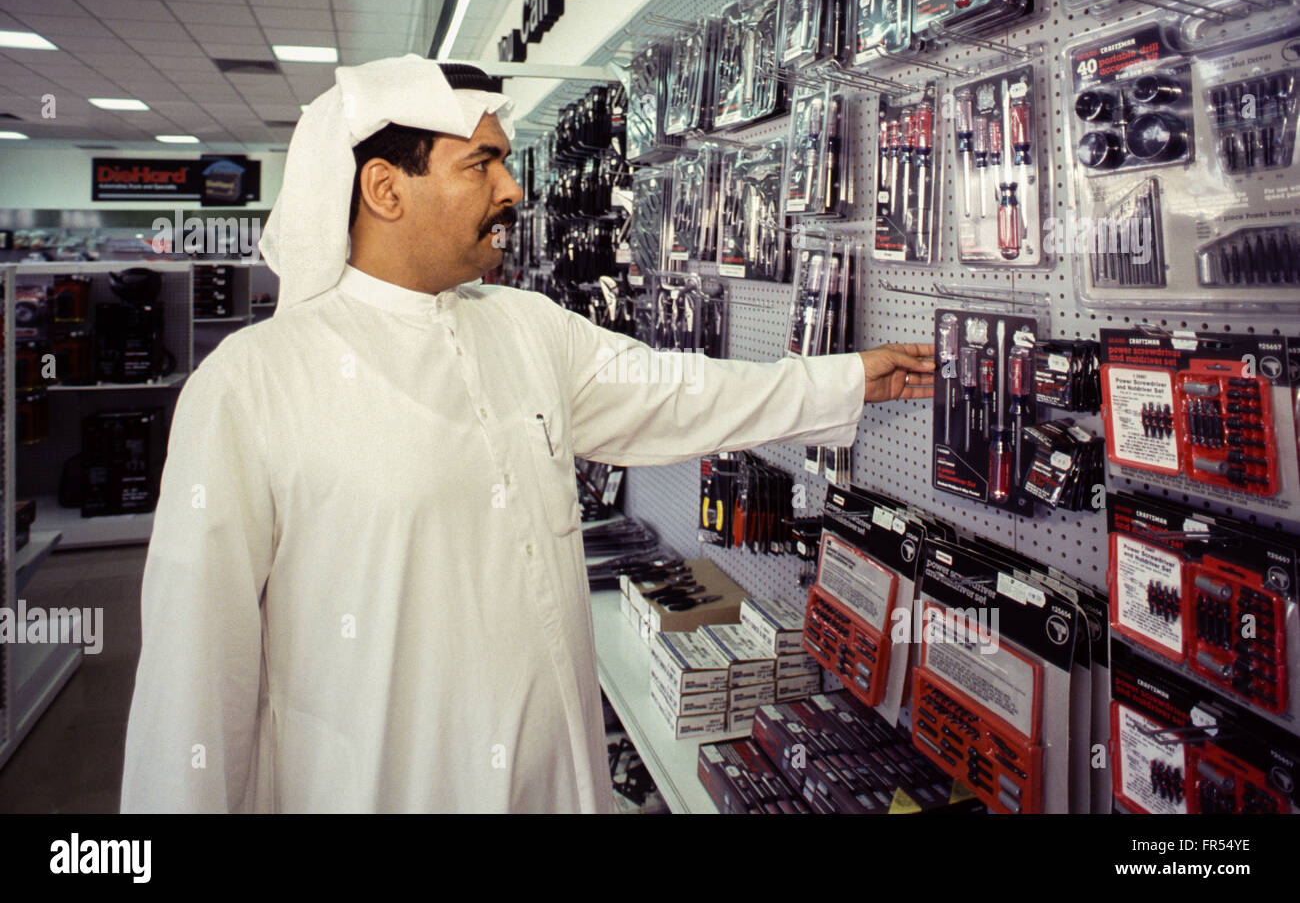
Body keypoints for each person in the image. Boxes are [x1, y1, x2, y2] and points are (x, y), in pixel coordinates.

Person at [120, 56, 935, 813]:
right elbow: (193, 685)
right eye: (481, 165)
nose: (512, 189)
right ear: (384, 188)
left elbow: (683, 392)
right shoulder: (250, 385)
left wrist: (850, 376)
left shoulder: (525, 328)